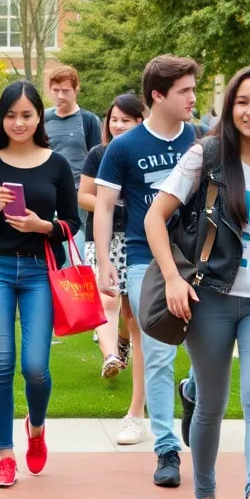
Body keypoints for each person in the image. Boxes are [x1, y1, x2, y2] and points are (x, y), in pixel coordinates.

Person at [146, 66, 250, 499]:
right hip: (210, 298)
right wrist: (174, 279)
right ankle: (205, 497)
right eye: (243, 101)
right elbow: (155, 219)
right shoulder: (207, 154)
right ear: (230, 105)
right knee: (212, 403)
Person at [0, 81, 80, 488]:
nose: (18, 122)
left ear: (39, 117)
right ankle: (5, 455)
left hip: (39, 273)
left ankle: (36, 427)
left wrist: (42, 226)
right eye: (11, 115)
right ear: (0, 119)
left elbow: (72, 224)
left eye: (27, 115)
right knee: (0, 364)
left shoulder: (57, 164)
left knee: (35, 368)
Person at [95, 54, 201, 488]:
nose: (194, 98)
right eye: (185, 91)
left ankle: (191, 391)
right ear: (158, 95)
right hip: (143, 261)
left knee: (206, 349)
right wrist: (104, 261)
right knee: (158, 353)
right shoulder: (124, 147)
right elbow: (103, 206)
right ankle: (166, 449)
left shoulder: (198, 139)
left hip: (195, 261)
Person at [80, 94, 150, 441]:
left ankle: (122, 346)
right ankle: (111, 356)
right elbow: (84, 195)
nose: (118, 124)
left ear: (141, 120)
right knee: (107, 301)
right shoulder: (99, 153)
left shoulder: (144, 154)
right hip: (105, 238)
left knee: (132, 315)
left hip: (139, 241)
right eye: (114, 119)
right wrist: (112, 205)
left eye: (126, 119)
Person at [44, 66, 103, 263]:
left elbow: (98, 160)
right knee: (56, 255)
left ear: (76, 90)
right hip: (50, 194)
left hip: (80, 195)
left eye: (65, 91)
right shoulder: (43, 119)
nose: (60, 95)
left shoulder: (88, 120)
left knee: (80, 253)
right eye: (56, 90)